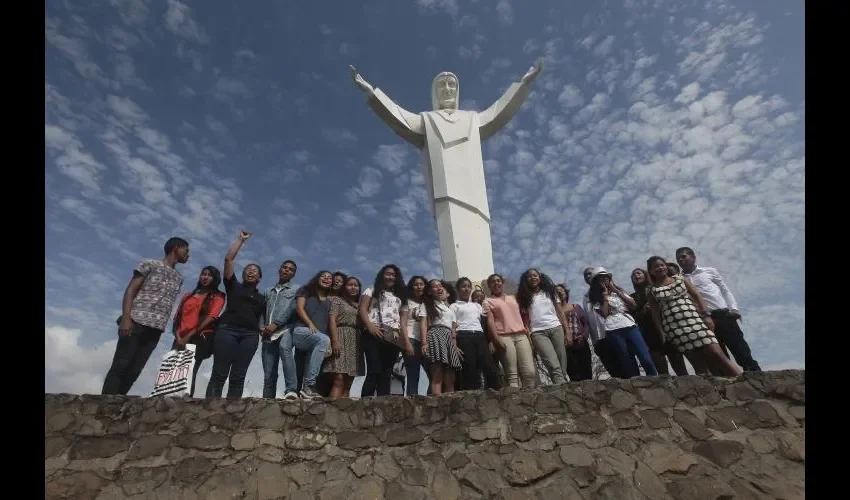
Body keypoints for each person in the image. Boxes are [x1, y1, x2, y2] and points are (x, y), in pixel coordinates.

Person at [102, 237, 189, 395]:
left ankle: (118, 405)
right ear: (176, 247)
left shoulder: (179, 277)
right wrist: (126, 318)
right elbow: (131, 290)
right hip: (136, 321)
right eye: (186, 250)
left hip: (156, 328)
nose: (187, 255)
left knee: (135, 370)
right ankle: (104, 406)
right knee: (120, 365)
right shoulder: (149, 264)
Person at [646, 256, 742, 377]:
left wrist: (706, 315)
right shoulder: (652, 290)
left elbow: (697, 296)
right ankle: (712, 393)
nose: (660, 268)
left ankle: (743, 382)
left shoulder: (680, 279)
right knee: (698, 364)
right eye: (656, 266)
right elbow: (655, 314)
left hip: (695, 320)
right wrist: (661, 332)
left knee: (717, 354)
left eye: (662, 265)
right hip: (674, 327)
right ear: (651, 271)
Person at [676, 247, 762, 372]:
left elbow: (724, 289)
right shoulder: (679, 279)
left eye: (683, 256)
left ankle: (757, 377)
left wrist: (734, 308)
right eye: (678, 258)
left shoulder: (709, 271)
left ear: (693, 257)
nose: (680, 260)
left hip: (723, 315)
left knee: (740, 349)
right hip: (702, 320)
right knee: (718, 356)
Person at [206, 231, 265, 399]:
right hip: (227, 331)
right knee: (219, 373)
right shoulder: (233, 286)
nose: (251, 272)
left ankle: (232, 415)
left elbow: (262, 318)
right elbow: (229, 260)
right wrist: (241, 240)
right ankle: (209, 410)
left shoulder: (262, 298)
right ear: (243, 274)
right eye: (248, 270)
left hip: (250, 336)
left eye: (254, 271)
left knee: (238, 377)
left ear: (259, 278)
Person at [587, 268, 658, 378]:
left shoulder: (619, 291)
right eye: (602, 279)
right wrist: (605, 296)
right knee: (627, 359)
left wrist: (616, 290)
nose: (605, 280)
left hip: (630, 325)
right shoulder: (595, 298)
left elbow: (633, 305)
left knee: (644, 355)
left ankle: (654, 377)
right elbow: (604, 314)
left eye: (607, 277)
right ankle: (637, 384)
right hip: (612, 329)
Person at [171, 266, 226, 397]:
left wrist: (189, 336)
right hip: (180, 337)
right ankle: (168, 400)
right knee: (174, 369)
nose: (205, 277)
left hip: (199, 337)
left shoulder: (218, 297)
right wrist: (179, 336)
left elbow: (212, 316)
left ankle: (185, 401)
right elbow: (178, 317)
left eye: (209, 275)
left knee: (190, 371)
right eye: (203, 274)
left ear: (215, 279)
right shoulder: (187, 295)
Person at [358, 264, 412, 397]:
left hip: (393, 335)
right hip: (374, 332)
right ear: (382, 275)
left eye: (393, 275)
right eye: (388, 274)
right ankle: (365, 403)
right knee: (374, 369)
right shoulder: (372, 289)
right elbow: (362, 309)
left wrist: (407, 342)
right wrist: (370, 326)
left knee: (386, 372)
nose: (390, 277)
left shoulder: (401, 297)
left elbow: (403, 322)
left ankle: (384, 404)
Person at [283, 270, 334, 399]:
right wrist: (310, 323)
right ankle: (310, 385)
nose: (326, 279)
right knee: (321, 341)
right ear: (317, 278)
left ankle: (306, 390)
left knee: (308, 364)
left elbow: (327, 323)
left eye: (329, 278)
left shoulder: (329, 301)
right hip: (301, 330)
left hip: (317, 338)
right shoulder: (305, 290)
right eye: (323, 276)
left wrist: (328, 342)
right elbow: (299, 309)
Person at [515, 268, 571, 385]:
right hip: (538, 332)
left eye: (535, 275)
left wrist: (567, 331)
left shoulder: (550, 292)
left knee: (562, 362)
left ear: (540, 277)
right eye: (529, 276)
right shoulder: (524, 297)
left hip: (556, 327)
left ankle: (563, 386)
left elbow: (560, 312)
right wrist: (530, 337)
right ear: (526, 280)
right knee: (552, 363)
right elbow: (526, 320)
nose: (533, 277)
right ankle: (562, 388)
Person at [630, 268, 688, 376]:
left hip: (666, 328)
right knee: (662, 372)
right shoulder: (631, 297)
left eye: (638, 273)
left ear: (645, 275)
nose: (636, 276)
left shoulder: (657, 289)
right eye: (633, 275)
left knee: (679, 367)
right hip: (648, 334)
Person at [483, 274, 536, 388]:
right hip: (504, 336)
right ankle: (515, 402)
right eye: (493, 282)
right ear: (489, 286)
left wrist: (528, 331)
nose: (496, 283)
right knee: (512, 373)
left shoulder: (514, 298)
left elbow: (524, 315)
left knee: (530, 372)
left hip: (521, 335)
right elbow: (490, 321)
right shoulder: (488, 301)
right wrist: (495, 338)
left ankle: (530, 399)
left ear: (502, 283)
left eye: (498, 281)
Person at [582, 267, 631, 379]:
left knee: (626, 364)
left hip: (614, 332)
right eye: (586, 276)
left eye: (590, 274)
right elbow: (589, 319)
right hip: (598, 339)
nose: (588, 277)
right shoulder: (585, 297)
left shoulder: (610, 291)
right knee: (613, 370)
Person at [452, 277, 501, 391]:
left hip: (480, 336)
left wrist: (491, 341)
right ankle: (473, 399)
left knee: (490, 367)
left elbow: (486, 323)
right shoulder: (454, 306)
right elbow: (453, 327)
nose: (466, 289)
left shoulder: (477, 306)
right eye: (463, 286)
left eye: (468, 286)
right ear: (458, 289)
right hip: (464, 336)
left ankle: (495, 395)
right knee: (470, 369)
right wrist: (454, 344)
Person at [260, 260, 298, 399]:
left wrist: (276, 324)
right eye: (285, 267)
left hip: (285, 330)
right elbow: (262, 311)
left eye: (291, 269)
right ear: (280, 269)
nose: (287, 270)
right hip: (268, 334)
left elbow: (292, 310)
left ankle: (291, 390)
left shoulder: (295, 291)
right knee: (269, 372)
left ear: (293, 274)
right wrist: (261, 327)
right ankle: (267, 400)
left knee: (285, 352)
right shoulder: (267, 291)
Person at [419, 279, 463, 394]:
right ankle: (436, 405)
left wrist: (455, 347)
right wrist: (424, 343)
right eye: (435, 287)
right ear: (429, 291)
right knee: (437, 375)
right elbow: (423, 323)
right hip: (435, 335)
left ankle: (450, 405)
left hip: (448, 338)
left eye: (440, 286)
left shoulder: (449, 309)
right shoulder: (427, 305)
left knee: (450, 377)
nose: (439, 288)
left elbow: (453, 331)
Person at [324, 276, 365, 398]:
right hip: (341, 335)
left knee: (348, 382)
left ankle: (343, 414)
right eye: (350, 285)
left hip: (356, 341)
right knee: (339, 379)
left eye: (356, 285)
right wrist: (335, 341)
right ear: (344, 287)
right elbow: (332, 320)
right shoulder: (338, 301)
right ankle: (332, 411)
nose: (353, 287)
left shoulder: (359, 306)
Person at [556, 284, 593, 382]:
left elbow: (586, 323)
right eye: (557, 292)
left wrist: (584, 336)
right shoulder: (554, 312)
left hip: (581, 343)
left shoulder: (575, 306)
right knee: (573, 373)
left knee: (587, 372)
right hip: (566, 346)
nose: (560, 292)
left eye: (562, 290)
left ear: (566, 293)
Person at [402, 276, 430, 395]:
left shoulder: (428, 303)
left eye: (421, 284)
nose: (419, 287)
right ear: (411, 287)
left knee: (433, 373)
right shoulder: (406, 302)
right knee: (413, 374)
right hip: (411, 339)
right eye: (416, 284)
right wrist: (406, 343)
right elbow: (402, 323)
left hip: (425, 341)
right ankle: (412, 404)